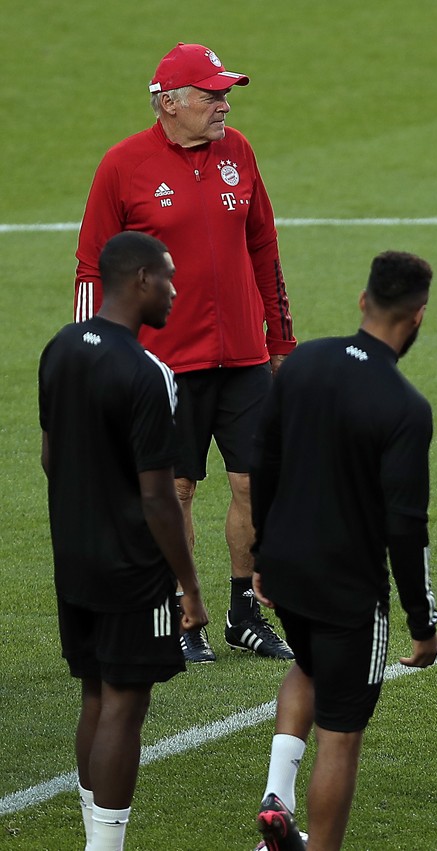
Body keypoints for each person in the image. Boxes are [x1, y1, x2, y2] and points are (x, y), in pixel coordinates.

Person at [74, 42, 297, 662]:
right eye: (210, 95)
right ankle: (181, 612)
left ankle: (243, 613)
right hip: (165, 364)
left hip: (246, 358)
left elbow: (265, 252)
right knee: (176, 490)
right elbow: (92, 264)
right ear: (168, 101)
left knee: (255, 483)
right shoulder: (123, 165)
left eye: (226, 93)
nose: (223, 104)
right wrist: (96, 351)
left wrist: (279, 339)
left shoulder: (240, 153)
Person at [248, 251, 437, 851]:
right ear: (418, 318)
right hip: (348, 590)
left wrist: (261, 554)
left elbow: (265, 461)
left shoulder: (303, 363)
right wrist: (420, 621)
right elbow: (405, 527)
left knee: (306, 665)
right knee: (341, 733)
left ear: (363, 302)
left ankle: (277, 797)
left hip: (286, 569)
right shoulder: (405, 407)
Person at [40, 230, 211, 851]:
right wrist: (189, 587)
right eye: (167, 277)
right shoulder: (149, 373)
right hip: (131, 568)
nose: (174, 290)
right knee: (124, 705)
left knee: (94, 693)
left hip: (74, 559)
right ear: (139, 281)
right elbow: (158, 496)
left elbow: (50, 455)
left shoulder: (60, 348)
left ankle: (94, 839)